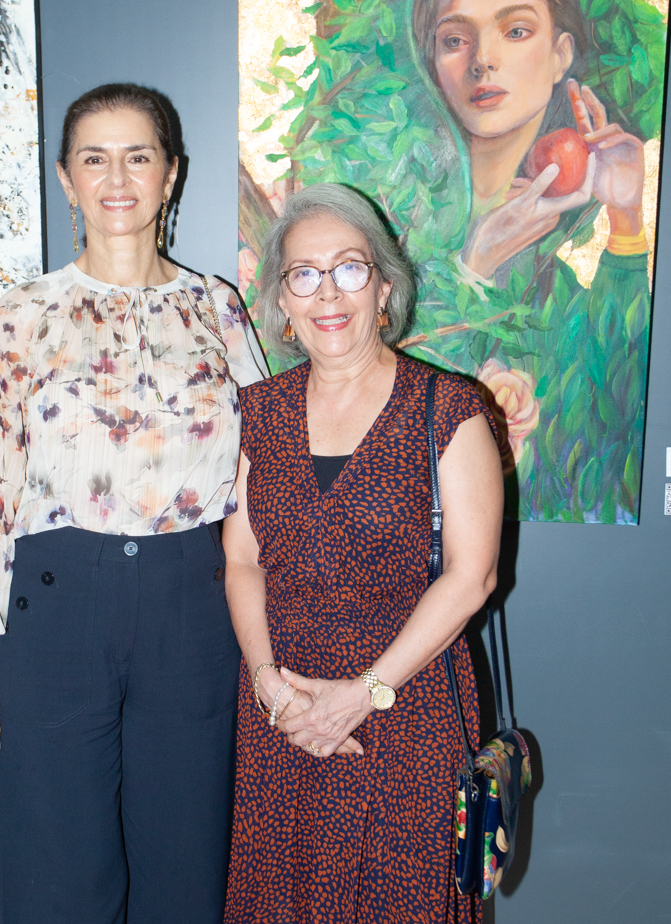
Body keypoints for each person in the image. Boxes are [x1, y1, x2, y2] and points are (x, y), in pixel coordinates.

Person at [0, 83, 268, 924]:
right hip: (55, 613)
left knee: (186, 872)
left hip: (192, 612)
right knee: (56, 877)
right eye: (94, 159)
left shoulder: (217, 307)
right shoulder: (27, 312)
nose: (117, 179)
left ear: (170, 174)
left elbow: (262, 476)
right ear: (66, 179)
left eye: (138, 157)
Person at [222, 183, 502, 923]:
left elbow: (472, 578)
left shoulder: (448, 410)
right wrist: (269, 686)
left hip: (404, 709)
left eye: (349, 268)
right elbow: (242, 560)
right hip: (284, 712)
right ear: (282, 302)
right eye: (303, 274)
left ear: (383, 286)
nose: (327, 292)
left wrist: (361, 695)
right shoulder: (259, 414)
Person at [410, 0, 650, 521]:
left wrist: (626, 220)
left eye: (515, 30)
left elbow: (618, 432)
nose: (482, 60)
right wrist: (473, 267)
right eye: (455, 40)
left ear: (560, 54)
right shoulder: (402, 232)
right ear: (434, 63)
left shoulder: (559, 284)